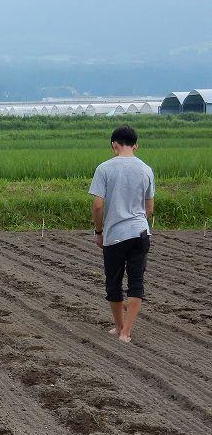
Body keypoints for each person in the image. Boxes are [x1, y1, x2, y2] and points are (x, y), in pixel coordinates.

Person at [89, 125, 155, 344]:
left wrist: (99, 231)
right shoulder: (146, 169)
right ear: (135, 145)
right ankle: (126, 332)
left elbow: (98, 205)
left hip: (115, 235)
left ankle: (119, 327)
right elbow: (149, 208)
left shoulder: (104, 168)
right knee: (136, 281)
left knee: (114, 282)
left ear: (114, 145)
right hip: (140, 233)